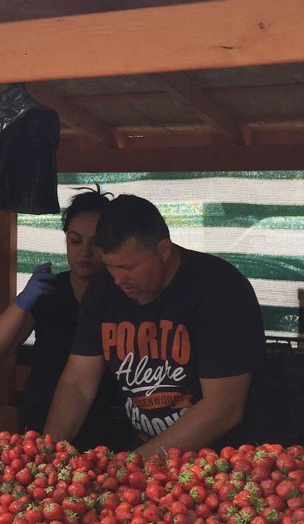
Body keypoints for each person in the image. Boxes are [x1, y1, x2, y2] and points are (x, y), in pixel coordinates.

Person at [43, 194, 270, 458]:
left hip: (225, 462)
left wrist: (133, 464)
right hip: (149, 458)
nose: (118, 279)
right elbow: (78, 383)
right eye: (110, 267)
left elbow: (223, 409)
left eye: (128, 267)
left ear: (163, 250)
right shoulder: (103, 290)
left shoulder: (219, 290)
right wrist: (46, 454)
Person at [0, 185, 131, 449]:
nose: (85, 252)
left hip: (110, 433)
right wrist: (23, 301)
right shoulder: (49, 292)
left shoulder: (127, 292)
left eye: (96, 243)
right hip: (42, 424)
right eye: (75, 241)